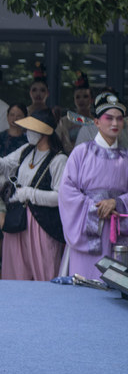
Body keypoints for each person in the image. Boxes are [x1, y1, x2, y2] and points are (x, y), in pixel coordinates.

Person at [0, 110, 67, 281]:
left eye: (31, 129)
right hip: (18, 218)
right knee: (16, 270)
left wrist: (31, 193)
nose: (27, 133)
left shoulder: (59, 159)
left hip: (42, 223)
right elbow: (5, 165)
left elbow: (60, 197)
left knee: (44, 270)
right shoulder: (27, 150)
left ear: (44, 132)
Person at [58, 92, 128, 278]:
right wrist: (93, 208)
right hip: (87, 231)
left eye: (119, 119)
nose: (114, 123)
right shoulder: (81, 153)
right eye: (109, 118)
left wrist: (116, 203)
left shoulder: (126, 158)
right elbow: (67, 191)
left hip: (117, 229)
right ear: (96, 122)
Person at [0, 103, 29, 278]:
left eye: (19, 115)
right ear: (7, 116)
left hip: (15, 189)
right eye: (12, 114)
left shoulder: (27, 141)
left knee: (6, 226)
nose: (15, 118)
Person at [56, 71, 92, 154]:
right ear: (74, 100)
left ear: (91, 99)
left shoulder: (97, 122)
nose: (81, 100)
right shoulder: (65, 121)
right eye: (78, 97)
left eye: (85, 96)